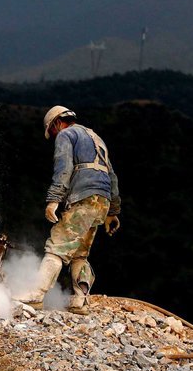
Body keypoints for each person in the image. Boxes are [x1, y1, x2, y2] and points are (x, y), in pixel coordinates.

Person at [15, 105, 121, 314]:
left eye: (52, 130)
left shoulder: (66, 135)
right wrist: (113, 212)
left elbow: (63, 168)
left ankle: (36, 295)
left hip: (83, 198)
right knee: (80, 253)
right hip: (102, 200)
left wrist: (53, 200)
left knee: (57, 247)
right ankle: (79, 301)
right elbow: (113, 177)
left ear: (57, 122)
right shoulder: (96, 138)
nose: (54, 135)